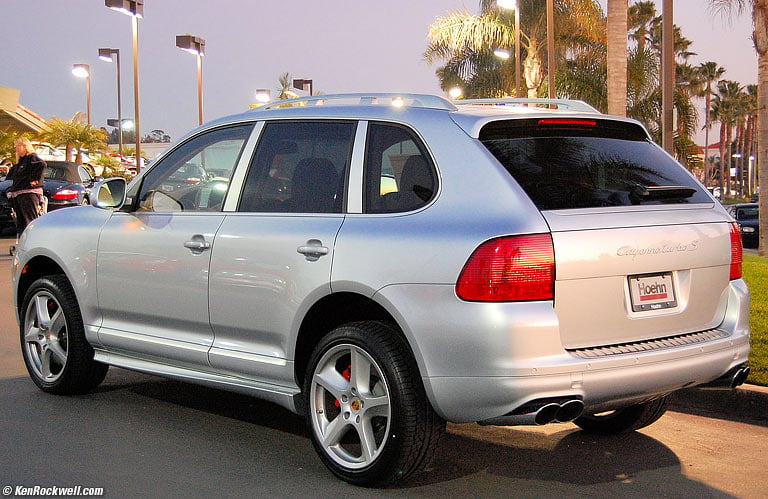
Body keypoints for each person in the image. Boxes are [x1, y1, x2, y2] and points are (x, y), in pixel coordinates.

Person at [6, 137, 46, 238]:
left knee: (30, 221)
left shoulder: (31, 158)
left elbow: (42, 165)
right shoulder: (20, 161)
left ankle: (34, 240)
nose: (16, 149)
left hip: (29, 194)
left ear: (25, 146)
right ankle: (24, 243)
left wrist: (35, 180)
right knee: (21, 224)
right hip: (18, 195)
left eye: (18, 146)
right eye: (15, 147)